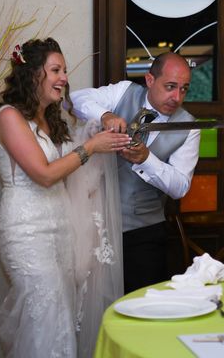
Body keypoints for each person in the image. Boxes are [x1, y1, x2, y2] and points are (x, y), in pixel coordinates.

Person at [0, 38, 130, 358]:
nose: (64, 77)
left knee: (62, 320)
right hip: (27, 232)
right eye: (55, 70)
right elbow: (44, 173)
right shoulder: (9, 117)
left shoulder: (50, 120)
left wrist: (102, 132)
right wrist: (91, 147)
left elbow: (71, 167)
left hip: (61, 229)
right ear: (32, 74)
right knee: (46, 321)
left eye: (64, 70)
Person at [70, 52, 201, 293]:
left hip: (143, 235)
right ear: (150, 80)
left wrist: (147, 159)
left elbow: (180, 187)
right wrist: (105, 115)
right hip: (96, 228)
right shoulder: (124, 91)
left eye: (184, 89)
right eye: (170, 87)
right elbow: (75, 99)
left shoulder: (189, 126)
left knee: (142, 306)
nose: (176, 97)